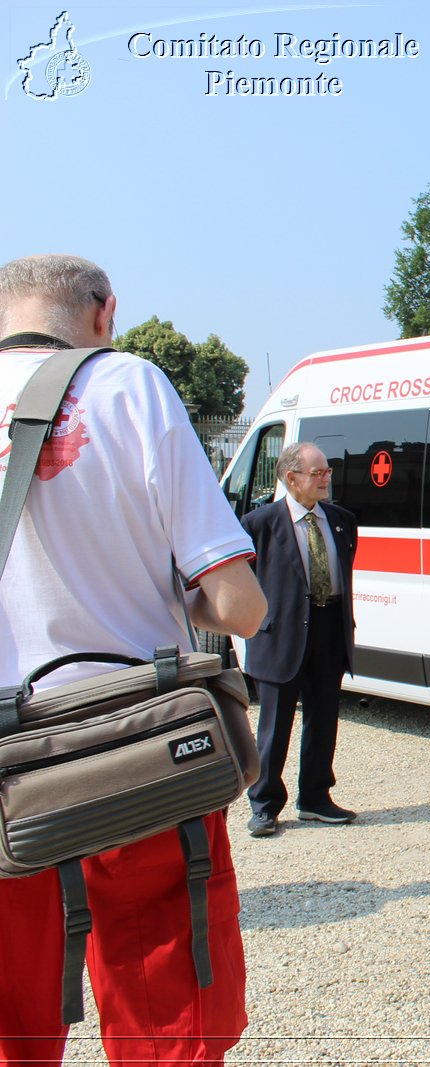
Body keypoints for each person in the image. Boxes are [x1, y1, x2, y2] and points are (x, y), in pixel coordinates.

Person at [0, 253, 268, 1064]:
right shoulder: (129, 384)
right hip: (137, 757)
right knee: (166, 1034)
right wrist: (178, 595)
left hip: (7, 774)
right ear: (103, 313)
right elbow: (239, 605)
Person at [241, 443, 360, 837]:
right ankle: (264, 804)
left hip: (329, 629)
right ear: (291, 477)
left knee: (324, 719)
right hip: (281, 634)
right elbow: (246, 581)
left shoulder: (342, 521)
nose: (326, 478)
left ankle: (315, 797)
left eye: (327, 472)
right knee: (274, 726)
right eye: (317, 473)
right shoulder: (260, 524)